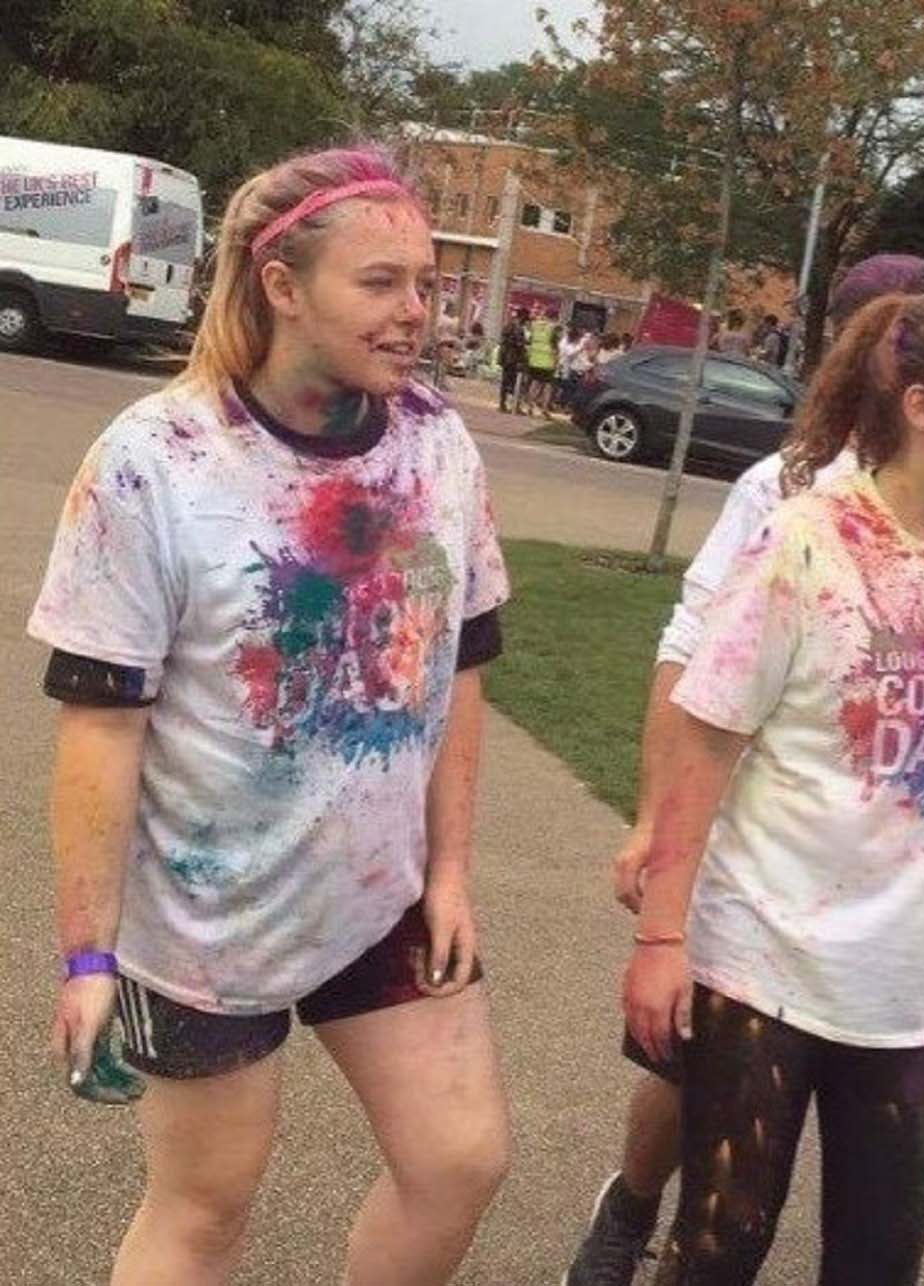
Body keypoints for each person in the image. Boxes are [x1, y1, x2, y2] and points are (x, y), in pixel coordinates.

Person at [29, 145, 512, 1283]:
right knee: (206, 1210)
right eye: (380, 282)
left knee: (459, 1159)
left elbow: (462, 669)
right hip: (208, 921)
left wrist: (448, 874)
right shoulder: (155, 461)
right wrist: (88, 953)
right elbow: (101, 729)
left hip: (378, 894)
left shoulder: (436, 444)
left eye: (426, 281)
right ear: (283, 285)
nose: (417, 311)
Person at [623, 285, 924, 1285]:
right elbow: (706, 743)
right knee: (718, 1248)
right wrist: (661, 939)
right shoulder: (805, 539)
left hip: (912, 983)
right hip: (762, 958)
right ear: (922, 404)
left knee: (878, 1260)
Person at [560, 254, 924, 1286]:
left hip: (879, 882)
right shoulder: (780, 489)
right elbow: (687, 650)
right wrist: (654, 822)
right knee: (690, 1066)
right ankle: (630, 1205)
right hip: (751, 838)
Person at [523, 306, 559, 415]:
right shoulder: (554, 328)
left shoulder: (535, 325)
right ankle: (544, 409)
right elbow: (555, 345)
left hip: (534, 359)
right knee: (548, 386)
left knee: (535, 383)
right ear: (555, 317)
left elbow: (530, 339)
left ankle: (529, 407)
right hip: (548, 361)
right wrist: (556, 360)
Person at [499, 309, 528, 414]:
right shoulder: (518, 328)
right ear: (522, 318)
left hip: (505, 357)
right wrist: (524, 354)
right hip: (513, 358)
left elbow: (503, 340)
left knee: (505, 382)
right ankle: (514, 405)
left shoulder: (508, 325)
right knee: (515, 383)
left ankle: (503, 403)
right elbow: (519, 344)